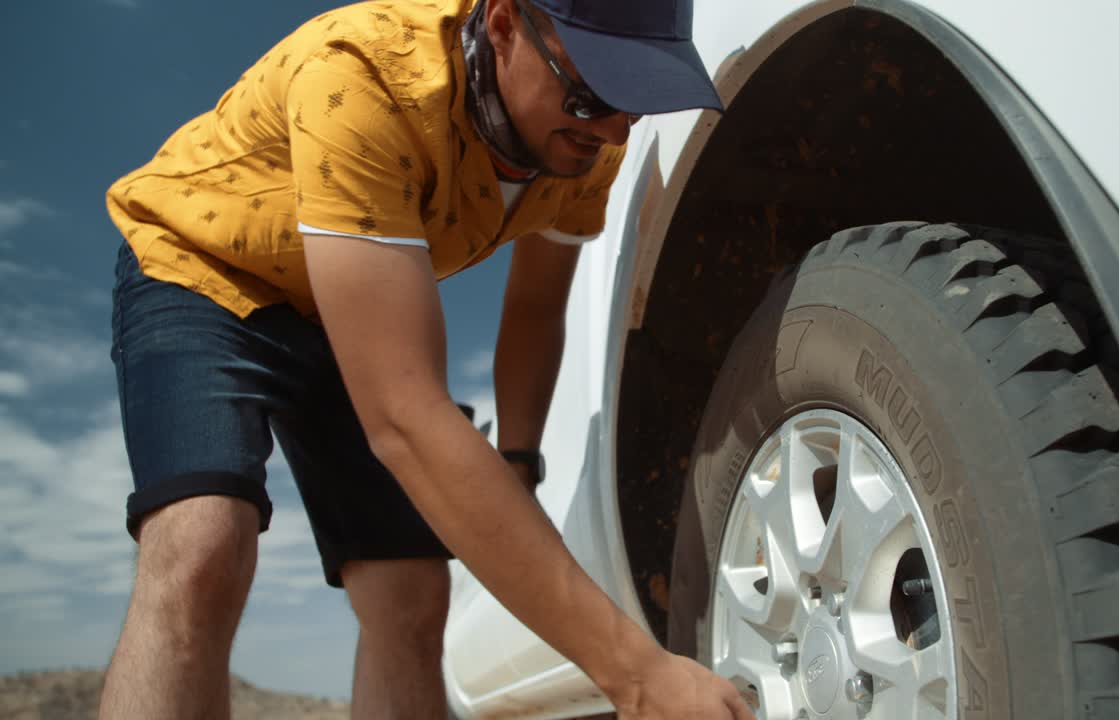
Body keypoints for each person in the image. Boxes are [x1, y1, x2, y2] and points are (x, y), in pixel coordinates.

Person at [99, 0, 752, 718]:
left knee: (412, 595)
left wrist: (518, 459)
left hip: (344, 299)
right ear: (504, 24)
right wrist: (636, 674)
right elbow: (405, 419)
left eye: (637, 98)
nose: (611, 128)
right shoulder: (364, 79)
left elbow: (535, 308)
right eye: (591, 90)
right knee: (201, 551)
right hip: (204, 269)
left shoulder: (587, 150)